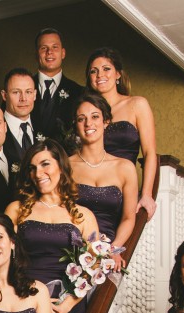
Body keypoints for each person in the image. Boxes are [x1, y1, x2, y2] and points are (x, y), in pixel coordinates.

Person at [5, 139, 98, 313]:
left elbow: (94, 268)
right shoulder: (16, 210)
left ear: (61, 166)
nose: (39, 173)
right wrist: (35, 300)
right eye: (32, 168)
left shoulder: (83, 215)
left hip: (67, 306)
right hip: (24, 298)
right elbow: (3, 263)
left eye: (45, 164)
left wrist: (65, 306)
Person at [85, 47, 158, 219]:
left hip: (122, 189)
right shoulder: (87, 113)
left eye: (106, 69)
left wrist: (147, 194)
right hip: (90, 188)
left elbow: (149, 153)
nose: (100, 75)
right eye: (93, 71)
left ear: (118, 74)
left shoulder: (137, 104)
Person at [69, 92, 138, 270]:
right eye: (81, 119)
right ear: (76, 125)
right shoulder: (65, 167)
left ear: (106, 121)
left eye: (95, 117)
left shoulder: (125, 167)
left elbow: (129, 217)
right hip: (73, 250)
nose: (88, 124)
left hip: (110, 250)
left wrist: (114, 249)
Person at [32, 28, 85, 141]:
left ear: (63, 53)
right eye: (43, 48)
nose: (49, 52)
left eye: (54, 47)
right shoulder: (20, 88)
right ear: (37, 54)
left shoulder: (79, 92)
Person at [1, 68, 39, 167]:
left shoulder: (43, 126)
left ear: (34, 95)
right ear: (4, 96)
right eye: (16, 92)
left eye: (28, 92)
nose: (23, 99)